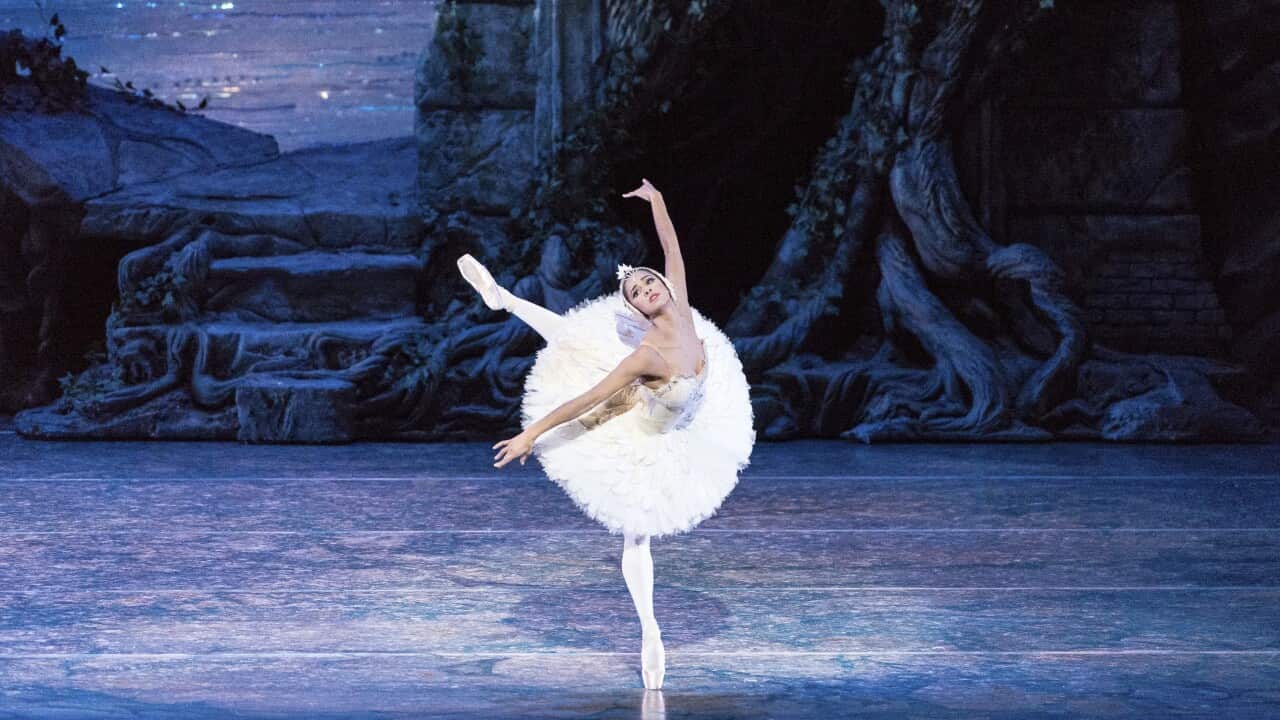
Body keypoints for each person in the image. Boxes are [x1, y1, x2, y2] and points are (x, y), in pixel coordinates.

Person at [456, 178, 755, 691]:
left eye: (648, 281)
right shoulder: (647, 355)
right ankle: (650, 630)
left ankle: (504, 299)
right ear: (637, 309)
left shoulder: (683, 309)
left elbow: (671, 247)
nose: (647, 288)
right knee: (635, 528)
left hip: (686, 424)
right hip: (639, 432)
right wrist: (530, 433)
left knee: (581, 345)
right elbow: (588, 398)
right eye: (636, 291)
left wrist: (658, 199)